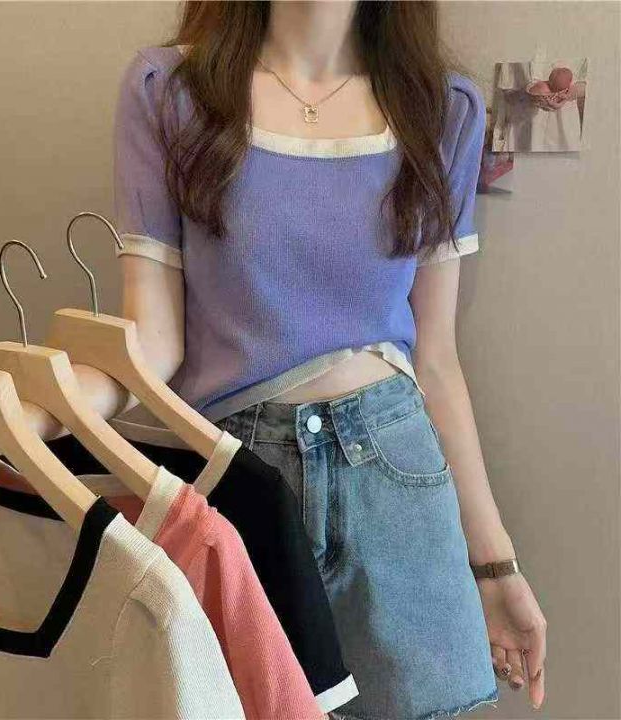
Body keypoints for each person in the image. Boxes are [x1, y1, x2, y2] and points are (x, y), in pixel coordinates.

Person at [112, 2, 547, 719]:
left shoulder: (443, 110)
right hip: (237, 486)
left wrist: (495, 564)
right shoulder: (170, 93)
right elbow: (150, 345)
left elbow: (436, 359)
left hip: (397, 480)